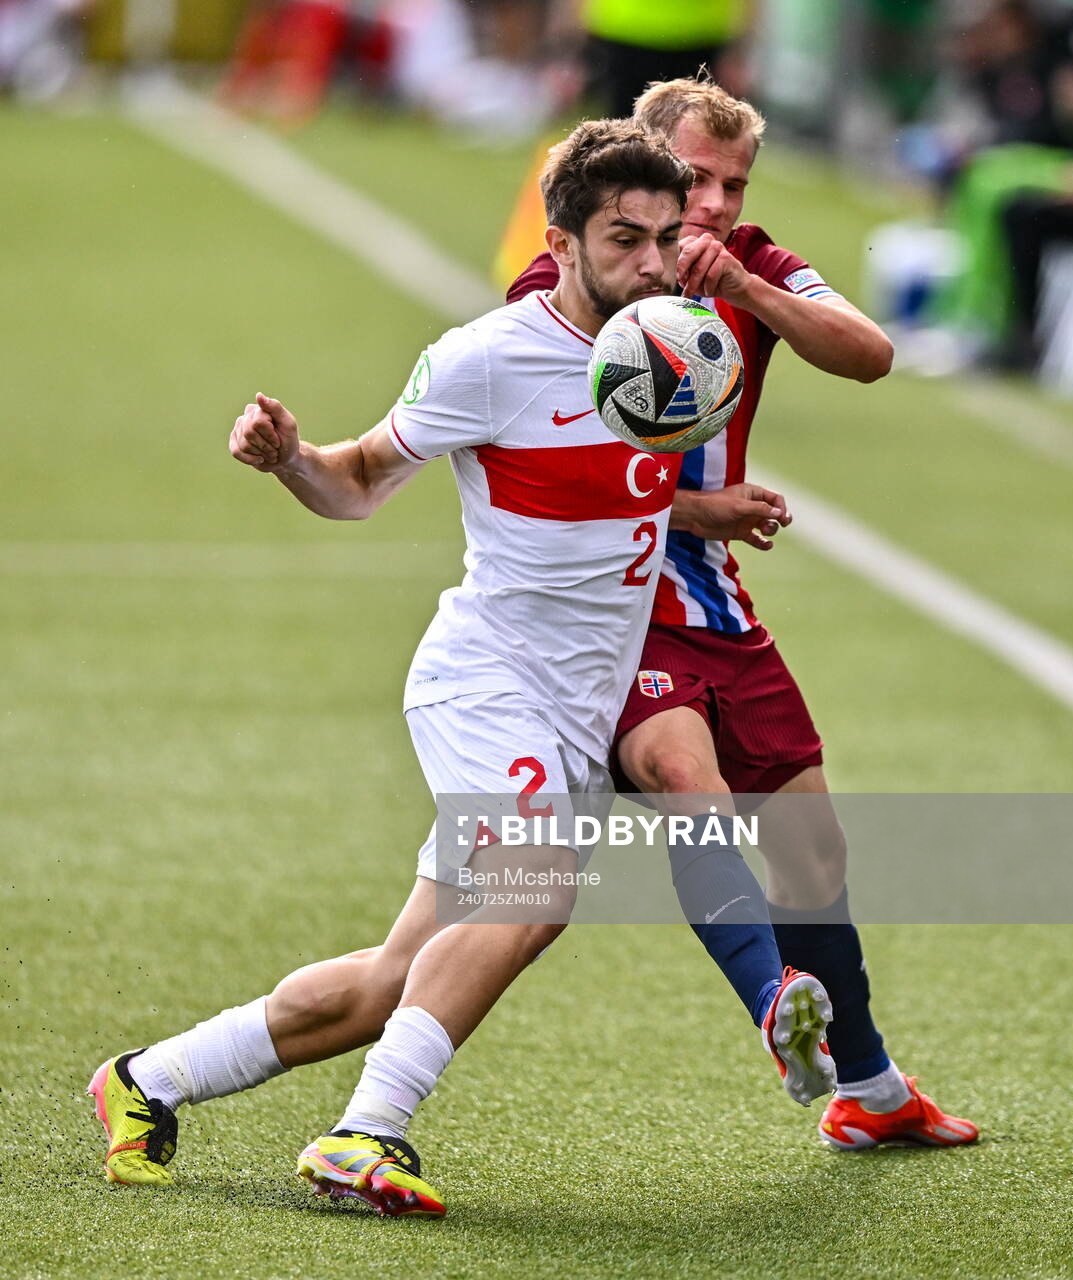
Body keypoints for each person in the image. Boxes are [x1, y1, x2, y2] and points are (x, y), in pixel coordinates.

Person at [87, 118, 835, 1218]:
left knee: (392, 978)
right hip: (488, 682)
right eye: (622, 238)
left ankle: (145, 1080)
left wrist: (703, 506)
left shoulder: (674, 344)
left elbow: (601, 481)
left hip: (572, 716)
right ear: (561, 236)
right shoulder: (488, 356)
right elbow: (359, 479)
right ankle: (363, 1134)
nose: (649, 262)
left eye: (665, 237)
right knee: (537, 889)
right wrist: (290, 453)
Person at [508, 77, 978, 1151]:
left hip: (712, 597)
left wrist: (749, 296)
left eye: (731, 183)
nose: (715, 202)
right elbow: (537, 469)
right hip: (609, 599)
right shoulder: (569, 281)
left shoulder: (752, 259)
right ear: (641, 163)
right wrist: (696, 502)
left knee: (810, 850)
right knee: (688, 780)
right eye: (696, 179)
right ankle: (776, 1008)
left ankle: (866, 1085)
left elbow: (869, 352)